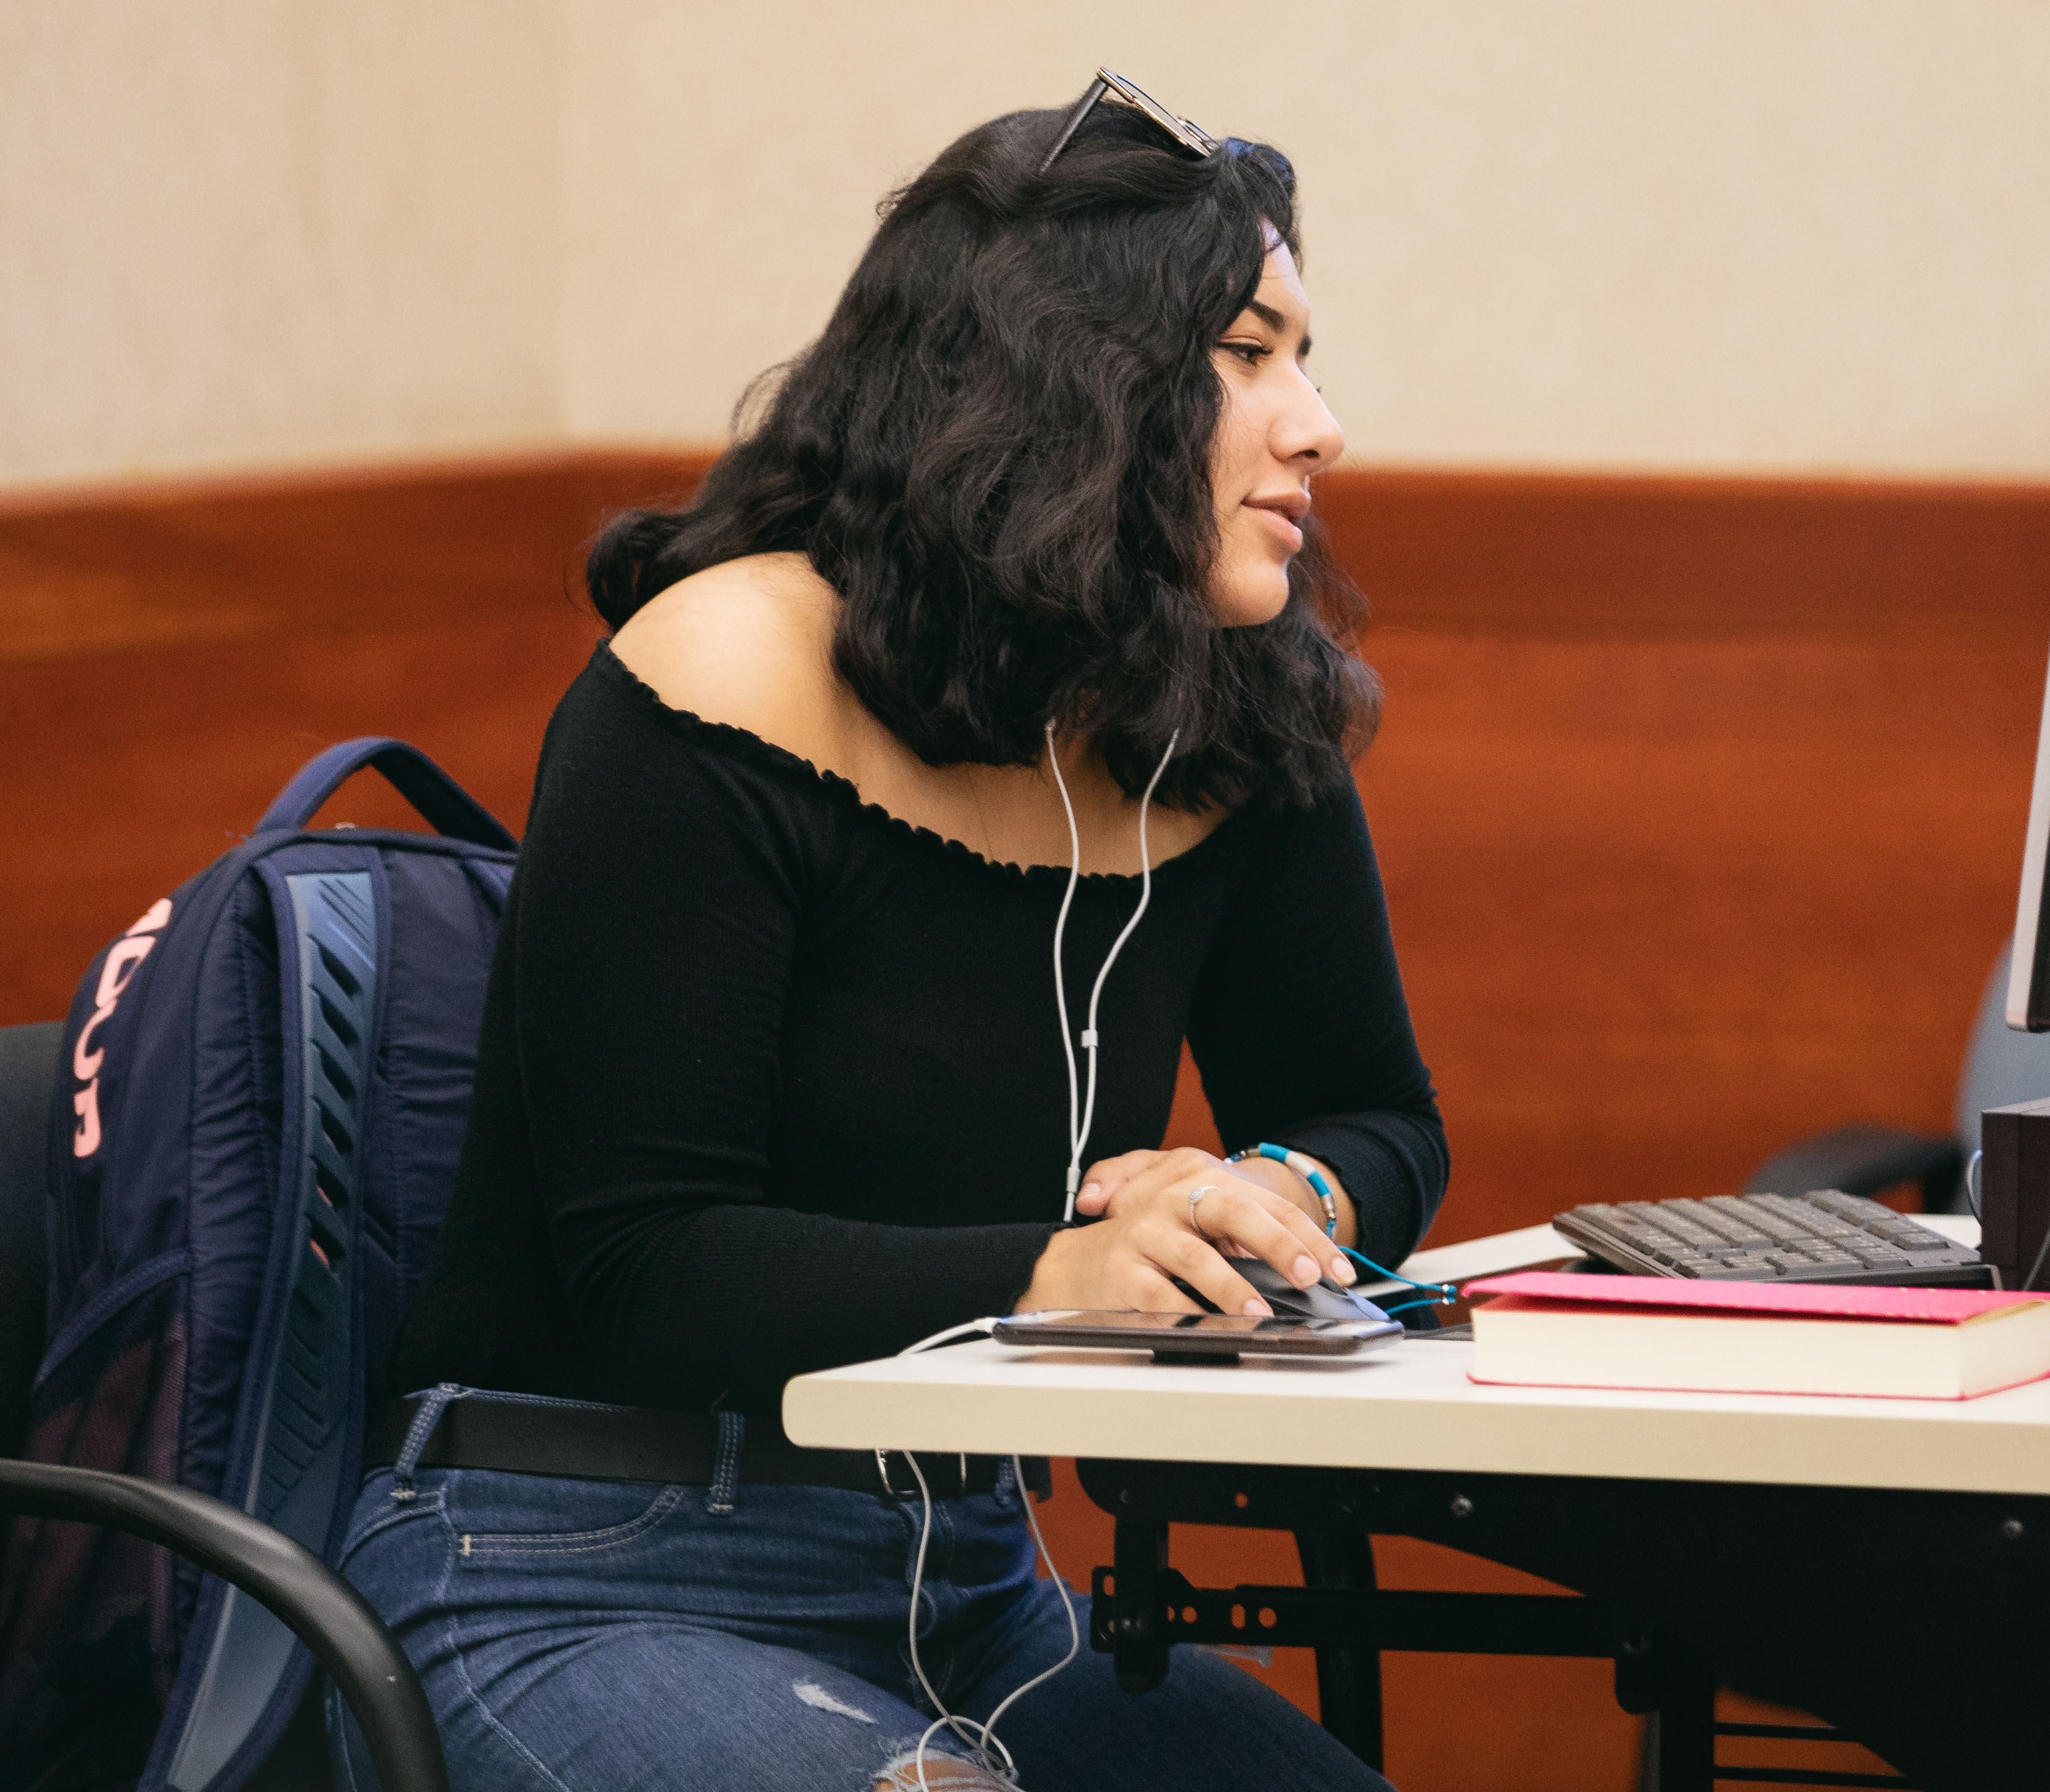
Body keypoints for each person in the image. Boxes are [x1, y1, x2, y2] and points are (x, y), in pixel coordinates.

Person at [345, 73, 1442, 1792]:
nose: (1319, 425)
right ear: (1070, 379)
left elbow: (1385, 1120)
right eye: (1247, 354)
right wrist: (1052, 1273)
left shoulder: (1221, 711)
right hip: (572, 1568)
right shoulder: (716, 678)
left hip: (970, 1591)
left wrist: (1269, 1208)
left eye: (1303, 357)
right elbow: (646, 1265)